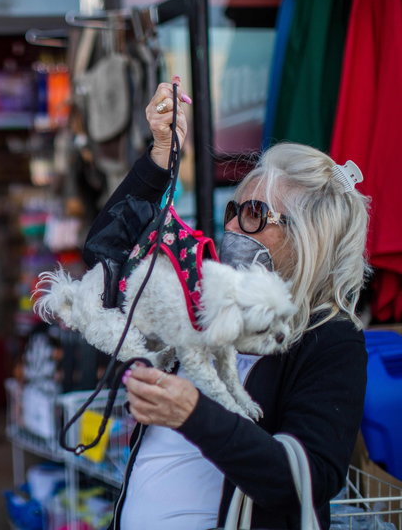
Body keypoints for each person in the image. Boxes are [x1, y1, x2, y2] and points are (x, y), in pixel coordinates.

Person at [83, 77, 370, 529]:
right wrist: (161, 156)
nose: (234, 228)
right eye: (233, 210)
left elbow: (306, 479)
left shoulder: (330, 340)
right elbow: (108, 260)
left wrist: (195, 414)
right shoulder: (207, 299)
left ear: (308, 237)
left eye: (254, 214)